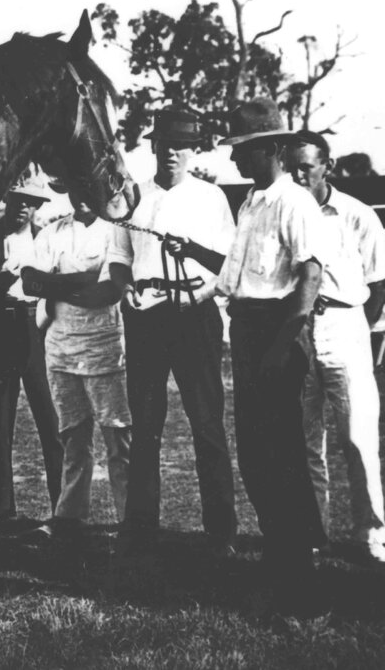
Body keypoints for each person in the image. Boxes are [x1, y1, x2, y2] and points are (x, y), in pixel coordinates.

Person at [172, 98, 327, 616]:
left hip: (276, 334)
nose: (236, 161)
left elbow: (308, 277)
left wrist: (283, 347)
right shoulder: (251, 203)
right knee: (258, 458)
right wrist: (192, 250)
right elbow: (239, 276)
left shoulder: (294, 203)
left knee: (280, 456)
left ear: (276, 150)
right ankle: (279, 560)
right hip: (247, 333)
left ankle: (299, 578)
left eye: (247, 151)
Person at [106, 107, 238, 558]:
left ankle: (221, 532)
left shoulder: (211, 198)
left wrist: (200, 297)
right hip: (145, 315)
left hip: (194, 315)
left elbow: (227, 264)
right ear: (154, 148)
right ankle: (141, 529)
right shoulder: (134, 196)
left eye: (182, 146)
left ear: (193, 150)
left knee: (206, 424)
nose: (172, 154)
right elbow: (119, 257)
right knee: (145, 426)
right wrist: (126, 292)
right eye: (165, 146)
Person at [284, 131, 385, 563]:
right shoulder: (284, 212)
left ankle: (371, 535)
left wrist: (361, 331)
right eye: (292, 167)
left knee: (357, 437)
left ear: (329, 165)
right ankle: (314, 534)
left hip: (346, 325)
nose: (299, 175)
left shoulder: (358, 215)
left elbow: (379, 284)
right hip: (297, 329)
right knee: (306, 441)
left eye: (307, 166)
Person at [22, 190, 131, 539]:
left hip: (103, 346)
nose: (82, 194)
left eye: (88, 184)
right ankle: (69, 515)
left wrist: (53, 285)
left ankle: (130, 519)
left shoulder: (114, 230)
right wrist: (80, 279)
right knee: (72, 434)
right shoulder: (53, 232)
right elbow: (28, 278)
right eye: (74, 185)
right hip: (60, 347)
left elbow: (107, 292)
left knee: (117, 436)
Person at [0, 180, 64, 527]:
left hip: (35, 330)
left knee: (51, 423)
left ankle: (62, 509)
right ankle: (3, 508)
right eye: (19, 200)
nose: (24, 207)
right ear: (7, 199)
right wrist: (6, 275)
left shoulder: (46, 237)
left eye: (32, 202)